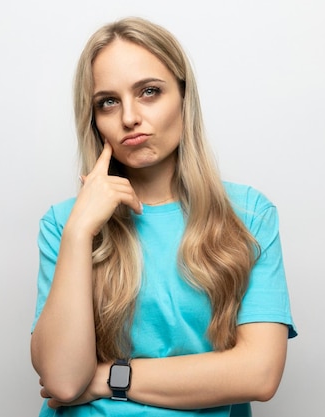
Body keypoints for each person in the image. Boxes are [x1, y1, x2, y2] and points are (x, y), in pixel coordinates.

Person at [30, 17, 297, 417]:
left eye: (149, 92)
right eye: (108, 102)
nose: (129, 118)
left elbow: (259, 374)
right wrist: (80, 230)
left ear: (184, 98)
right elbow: (65, 381)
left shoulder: (248, 215)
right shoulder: (63, 223)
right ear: (94, 121)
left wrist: (109, 377)